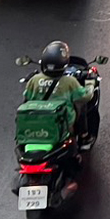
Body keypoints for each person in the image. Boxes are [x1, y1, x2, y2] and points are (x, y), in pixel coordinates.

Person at [22, 42, 95, 171]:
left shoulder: (34, 80)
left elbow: (27, 97)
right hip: (62, 124)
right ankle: (84, 136)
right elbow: (86, 96)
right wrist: (90, 83)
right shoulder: (69, 81)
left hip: (36, 122)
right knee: (81, 105)